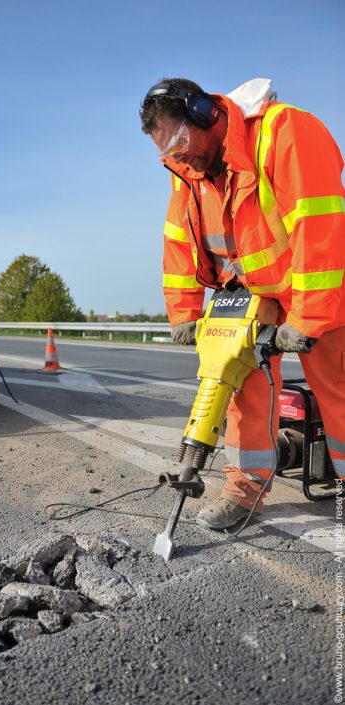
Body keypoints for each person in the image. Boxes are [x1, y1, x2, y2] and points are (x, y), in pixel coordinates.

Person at [139, 77, 345, 529]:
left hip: (320, 287)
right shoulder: (188, 173)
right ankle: (244, 491)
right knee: (242, 392)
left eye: (178, 141)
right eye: (166, 153)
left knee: (338, 390)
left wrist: (308, 318)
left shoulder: (284, 132)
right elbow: (178, 244)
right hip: (248, 296)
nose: (178, 156)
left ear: (205, 113)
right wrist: (184, 312)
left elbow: (320, 225)